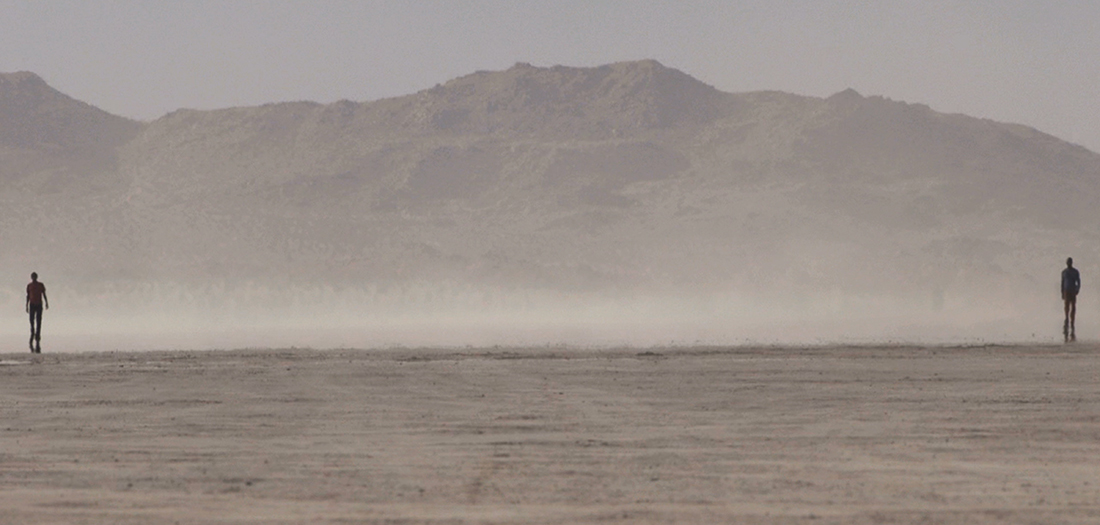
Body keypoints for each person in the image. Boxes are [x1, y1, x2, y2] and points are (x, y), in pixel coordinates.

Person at [26, 272, 48, 353]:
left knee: (38, 320)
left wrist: (46, 302)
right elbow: (28, 296)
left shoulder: (40, 285)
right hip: (32, 304)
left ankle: (37, 335)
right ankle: (33, 332)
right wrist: (26, 305)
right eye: (33, 277)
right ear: (31, 277)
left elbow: (44, 294)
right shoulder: (29, 286)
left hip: (39, 304)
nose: (34, 278)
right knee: (32, 320)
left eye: (35, 277)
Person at [1062, 258, 1080, 341]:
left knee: (1073, 306)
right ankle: (1066, 319)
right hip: (1066, 291)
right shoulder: (1064, 272)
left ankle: (1072, 321)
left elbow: (1078, 281)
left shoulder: (1075, 272)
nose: (1068, 264)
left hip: (1072, 291)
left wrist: (1077, 289)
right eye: (1067, 262)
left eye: (1069, 262)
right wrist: (1062, 292)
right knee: (1066, 307)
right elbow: (1062, 283)